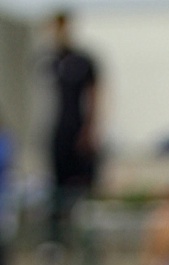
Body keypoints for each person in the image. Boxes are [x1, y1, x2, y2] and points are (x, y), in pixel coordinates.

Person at [44, 12, 99, 244]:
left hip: (77, 129)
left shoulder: (83, 61)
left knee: (81, 187)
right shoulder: (50, 61)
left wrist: (89, 130)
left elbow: (95, 94)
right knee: (56, 186)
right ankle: (58, 239)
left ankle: (83, 237)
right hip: (58, 131)